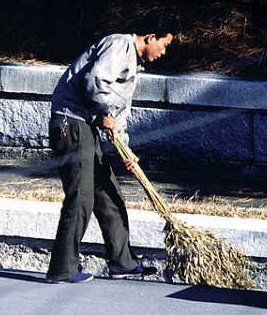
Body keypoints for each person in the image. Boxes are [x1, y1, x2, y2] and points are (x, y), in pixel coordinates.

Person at [46, 18, 173, 284]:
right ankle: (62, 268)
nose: (163, 52)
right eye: (164, 44)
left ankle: (122, 262)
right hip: (72, 123)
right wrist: (105, 113)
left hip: (87, 128)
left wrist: (125, 151)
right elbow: (94, 82)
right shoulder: (119, 44)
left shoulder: (133, 66)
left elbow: (118, 115)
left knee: (108, 193)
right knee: (80, 197)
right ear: (150, 37)